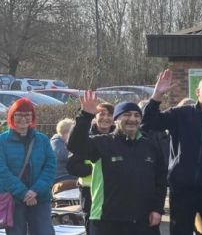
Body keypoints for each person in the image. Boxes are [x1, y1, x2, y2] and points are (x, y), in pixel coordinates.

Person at [142, 69, 202, 235]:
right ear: (198, 92)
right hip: (182, 190)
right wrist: (157, 95)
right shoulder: (180, 114)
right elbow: (149, 122)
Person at [68, 93, 166, 235]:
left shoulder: (151, 147)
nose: (132, 119)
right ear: (116, 120)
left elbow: (161, 181)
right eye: (126, 115)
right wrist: (86, 115)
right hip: (107, 221)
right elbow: (75, 145)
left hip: (144, 221)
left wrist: (157, 209)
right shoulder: (102, 142)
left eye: (136, 115)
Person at [0, 98, 56, 235]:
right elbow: (2, 171)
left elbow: (50, 166)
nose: (23, 118)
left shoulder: (42, 140)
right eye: (19, 114)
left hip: (40, 198)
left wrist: (35, 190)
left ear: (32, 116)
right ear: (12, 116)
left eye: (27, 114)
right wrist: (23, 193)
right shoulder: (2, 141)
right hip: (13, 200)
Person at [68, 102, 115, 233]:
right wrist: (95, 169)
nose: (106, 118)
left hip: (112, 191)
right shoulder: (84, 138)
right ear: (95, 117)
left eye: (110, 114)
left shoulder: (118, 138)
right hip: (89, 192)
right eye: (102, 114)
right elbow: (72, 166)